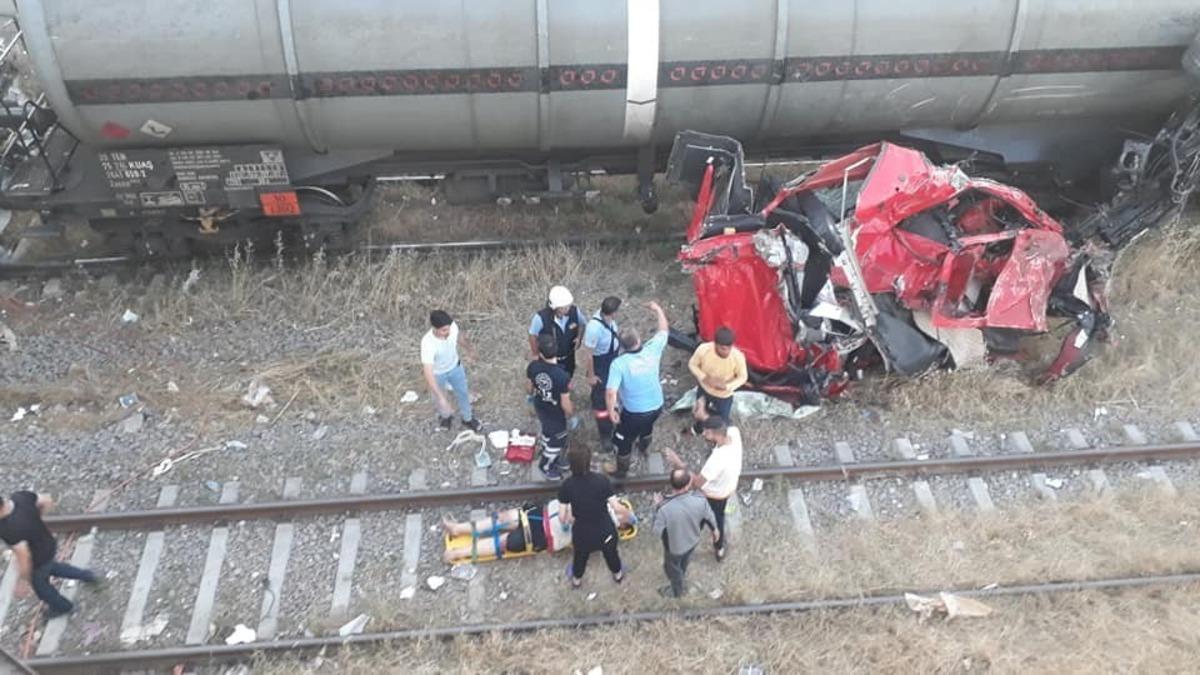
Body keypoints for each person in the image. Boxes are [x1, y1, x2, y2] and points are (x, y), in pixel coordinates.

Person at [440, 498, 636, 564]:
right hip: (540, 514)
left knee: (504, 541)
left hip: (545, 534)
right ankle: (459, 529)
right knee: (503, 518)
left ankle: (458, 553)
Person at [0, 491, 100, 618]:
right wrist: (36, 518)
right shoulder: (20, 497)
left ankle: (64, 607)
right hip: (48, 544)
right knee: (54, 568)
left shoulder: (7, 528)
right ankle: (87, 575)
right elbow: (47, 501)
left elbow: (24, 556)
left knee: (42, 590)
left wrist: (23, 580)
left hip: (37, 560)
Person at [663, 416, 744, 561]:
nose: (703, 434)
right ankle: (719, 548)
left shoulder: (717, 461)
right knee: (718, 518)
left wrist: (678, 463)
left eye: (707, 432)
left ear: (716, 435)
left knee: (701, 519)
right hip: (727, 489)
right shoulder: (733, 432)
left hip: (713, 495)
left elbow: (697, 483)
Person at [604, 300, 669, 478]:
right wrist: (658, 309)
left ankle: (621, 469)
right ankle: (644, 447)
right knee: (647, 428)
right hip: (657, 406)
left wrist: (611, 411)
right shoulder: (652, 349)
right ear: (639, 340)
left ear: (622, 346)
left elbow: (611, 392)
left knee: (622, 439)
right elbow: (664, 330)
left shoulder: (619, 364)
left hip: (634, 413)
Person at [558, 446, 625, 588]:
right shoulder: (602, 480)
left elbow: (562, 517)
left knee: (580, 558)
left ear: (570, 464)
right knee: (611, 554)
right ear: (589, 462)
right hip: (605, 531)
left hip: (582, 534)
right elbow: (617, 507)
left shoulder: (567, 486)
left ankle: (577, 581)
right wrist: (627, 514)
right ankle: (618, 575)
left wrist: (570, 515)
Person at [651, 469, 717, 598]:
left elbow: (656, 532)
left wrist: (656, 506)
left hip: (674, 547)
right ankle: (682, 571)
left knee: (671, 567)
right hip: (693, 541)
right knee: (684, 561)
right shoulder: (700, 500)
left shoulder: (664, 507)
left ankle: (677, 591)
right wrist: (715, 530)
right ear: (688, 484)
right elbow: (710, 517)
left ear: (671, 485)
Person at [421, 309, 482, 432]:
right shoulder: (427, 343)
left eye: (448, 328)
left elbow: (458, 338)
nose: (448, 332)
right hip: (438, 374)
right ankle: (446, 417)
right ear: (434, 328)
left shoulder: (452, 327)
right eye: (444, 330)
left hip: (455, 367)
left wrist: (470, 350)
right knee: (439, 398)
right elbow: (428, 371)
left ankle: (468, 418)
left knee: (463, 393)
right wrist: (442, 399)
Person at [527, 333, 574, 480]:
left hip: (540, 405)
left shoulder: (533, 367)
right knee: (557, 440)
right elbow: (565, 403)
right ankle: (546, 465)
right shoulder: (561, 376)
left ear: (540, 353)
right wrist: (571, 413)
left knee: (547, 431)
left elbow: (529, 388)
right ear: (557, 350)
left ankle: (546, 449)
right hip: (556, 413)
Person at [687, 326, 747, 434]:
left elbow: (743, 377)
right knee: (700, 411)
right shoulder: (704, 349)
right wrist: (704, 377)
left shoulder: (738, 357)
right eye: (723, 349)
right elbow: (692, 364)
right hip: (704, 389)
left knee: (723, 418)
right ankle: (698, 429)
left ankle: (717, 434)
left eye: (729, 348)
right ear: (715, 344)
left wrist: (727, 386)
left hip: (724, 395)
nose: (727, 352)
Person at [580, 296, 622, 445]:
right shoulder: (594, 328)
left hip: (611, 360)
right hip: (600, 364)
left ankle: (613, 405)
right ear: (613, 312)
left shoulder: (608, 320)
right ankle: (605, 433)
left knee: (612, 391)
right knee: (600, 401)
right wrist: (591, 376)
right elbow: (588, 355)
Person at [528, 285, 587, 379]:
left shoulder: (574, 311)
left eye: (568, 306)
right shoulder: (541, 318)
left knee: (567, 377)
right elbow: (532, 335)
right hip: (548, 360)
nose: (567, 309)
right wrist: (535, 354)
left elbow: (582, 324)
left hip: (568, 357)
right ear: (554, 307)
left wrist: (579, 337)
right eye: (563, 307)